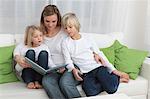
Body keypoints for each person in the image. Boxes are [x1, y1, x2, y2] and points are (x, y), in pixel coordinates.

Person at [61, 13, 129, 96]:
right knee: (90, 92)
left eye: (70, 27)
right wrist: (73, 69)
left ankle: (116, 78)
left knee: (111, 89)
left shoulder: (88, 38)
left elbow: (100, 54)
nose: (68, 30)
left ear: (76, 26)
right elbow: (68, 60)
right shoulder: (65, 42)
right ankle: (111, 81)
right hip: (85, 73)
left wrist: (113, 70)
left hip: (98, 67)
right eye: (65, 28)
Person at [40, 5, 81, 98]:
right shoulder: (39, 33)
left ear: (58, 19)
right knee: (47, 81)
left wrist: (94, 53)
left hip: (70, 66)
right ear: (43, 19)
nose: (50, 25)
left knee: (64, 83)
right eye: (47, 21)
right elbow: (24, 44)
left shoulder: (65, 30)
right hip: (53, 70)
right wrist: (18, 56)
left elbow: (80, 41)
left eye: (53, 21)